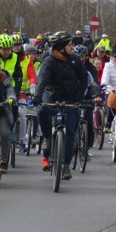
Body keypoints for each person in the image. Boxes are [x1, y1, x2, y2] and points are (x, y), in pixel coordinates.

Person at [33, 31, 86, 180]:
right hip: (51, 94)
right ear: (61, 47)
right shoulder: (49, 61)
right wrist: (38, 97)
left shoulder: (75, 60)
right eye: (70, 44)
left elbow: (83, 80)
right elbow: (42, 79)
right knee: (42, 110)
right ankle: (47, 138)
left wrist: (79, 97)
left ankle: (66, 165)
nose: (72, 47)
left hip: (70, 98)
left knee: (70, 131)